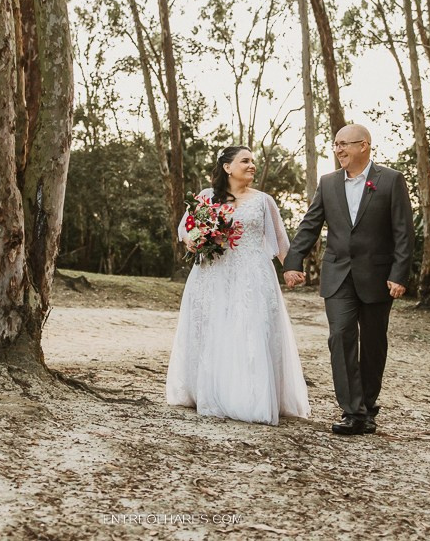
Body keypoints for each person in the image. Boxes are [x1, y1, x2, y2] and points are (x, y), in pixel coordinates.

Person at [283, 125, 414, 436]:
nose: (338, 150)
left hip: (378, 277)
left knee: (373, 344)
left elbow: (403, 233)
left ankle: (368, 407)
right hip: (338, 274)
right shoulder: (328, 183)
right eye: (336, 145)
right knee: (340, 336)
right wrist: (293, 261)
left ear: (364, 146)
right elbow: (310, 223)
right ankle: (352, 411)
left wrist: (399, 274)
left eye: (344, 144)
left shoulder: (391, 180)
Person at [166, 146, 310, 425]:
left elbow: (280, 240)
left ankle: (251, 396)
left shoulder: (264, 201)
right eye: (245, 161)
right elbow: (186, 228)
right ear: (227, 167)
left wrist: (291, 268)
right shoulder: (207, 198)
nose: (252, 165)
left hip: (253, 275)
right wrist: (194, 239)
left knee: (251, 328)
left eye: (253, 161)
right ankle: (210, 389)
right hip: (213, 274)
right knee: (213, 329)